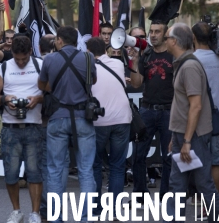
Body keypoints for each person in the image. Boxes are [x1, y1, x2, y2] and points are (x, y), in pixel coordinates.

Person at [38, 26, 97, 223]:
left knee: (55, 169)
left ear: (60, 40)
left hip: (57, 117)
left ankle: (55, 218)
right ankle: (85, 217)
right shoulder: (88, 59)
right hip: (83, 117)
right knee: (86, 170)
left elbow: (42, 86)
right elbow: (92, 81)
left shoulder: (49, 60)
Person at [164, 23, 219, 222]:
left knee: (204, 184)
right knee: (177, 184)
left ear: (174, 41)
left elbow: (195, 106)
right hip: (185, 135)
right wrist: (177, 137)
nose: (164, 41)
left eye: (166, 38)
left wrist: (187, 140)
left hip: (193, 136)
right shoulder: (184, 63)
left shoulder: (189, 66)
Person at [0, 35, 43, 223]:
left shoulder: (40, 65)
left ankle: (35, 213)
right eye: (17, 58)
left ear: (30, 52)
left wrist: (38, 99)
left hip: (34, 126)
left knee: (35, 172)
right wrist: (6, 99)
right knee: (11, 173)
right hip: (10, 128)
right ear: (11, 53)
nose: (20, 62)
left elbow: (51, 91)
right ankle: (16, 210)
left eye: (24, 59)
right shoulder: (3, 68)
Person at [86, 37, 131, 212]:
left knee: (95, 165)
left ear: (88, 52)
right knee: (117, 166)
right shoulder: (118, 65)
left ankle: (96, 207)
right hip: (122, 119)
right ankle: (114, 208)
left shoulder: (87, 67)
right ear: (105, 50)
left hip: (98, 121)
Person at [129, 21, 173, 199]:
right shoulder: (146, 55)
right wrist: (135, 60)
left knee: (168, 157)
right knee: (138, 154)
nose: (153, 35)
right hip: (147, 110)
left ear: (165, 35)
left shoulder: (173, 55)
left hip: (169, 111)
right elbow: (137, 83)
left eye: (157, 31)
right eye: (151, 31)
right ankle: (140, 193)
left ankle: (166, 194)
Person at [192, 22, 219, 194]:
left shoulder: (192, 59)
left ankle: (202, 200)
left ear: (193, 38)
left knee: (200, 163)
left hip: (199, 119)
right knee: (217, 163)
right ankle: (214, 203)